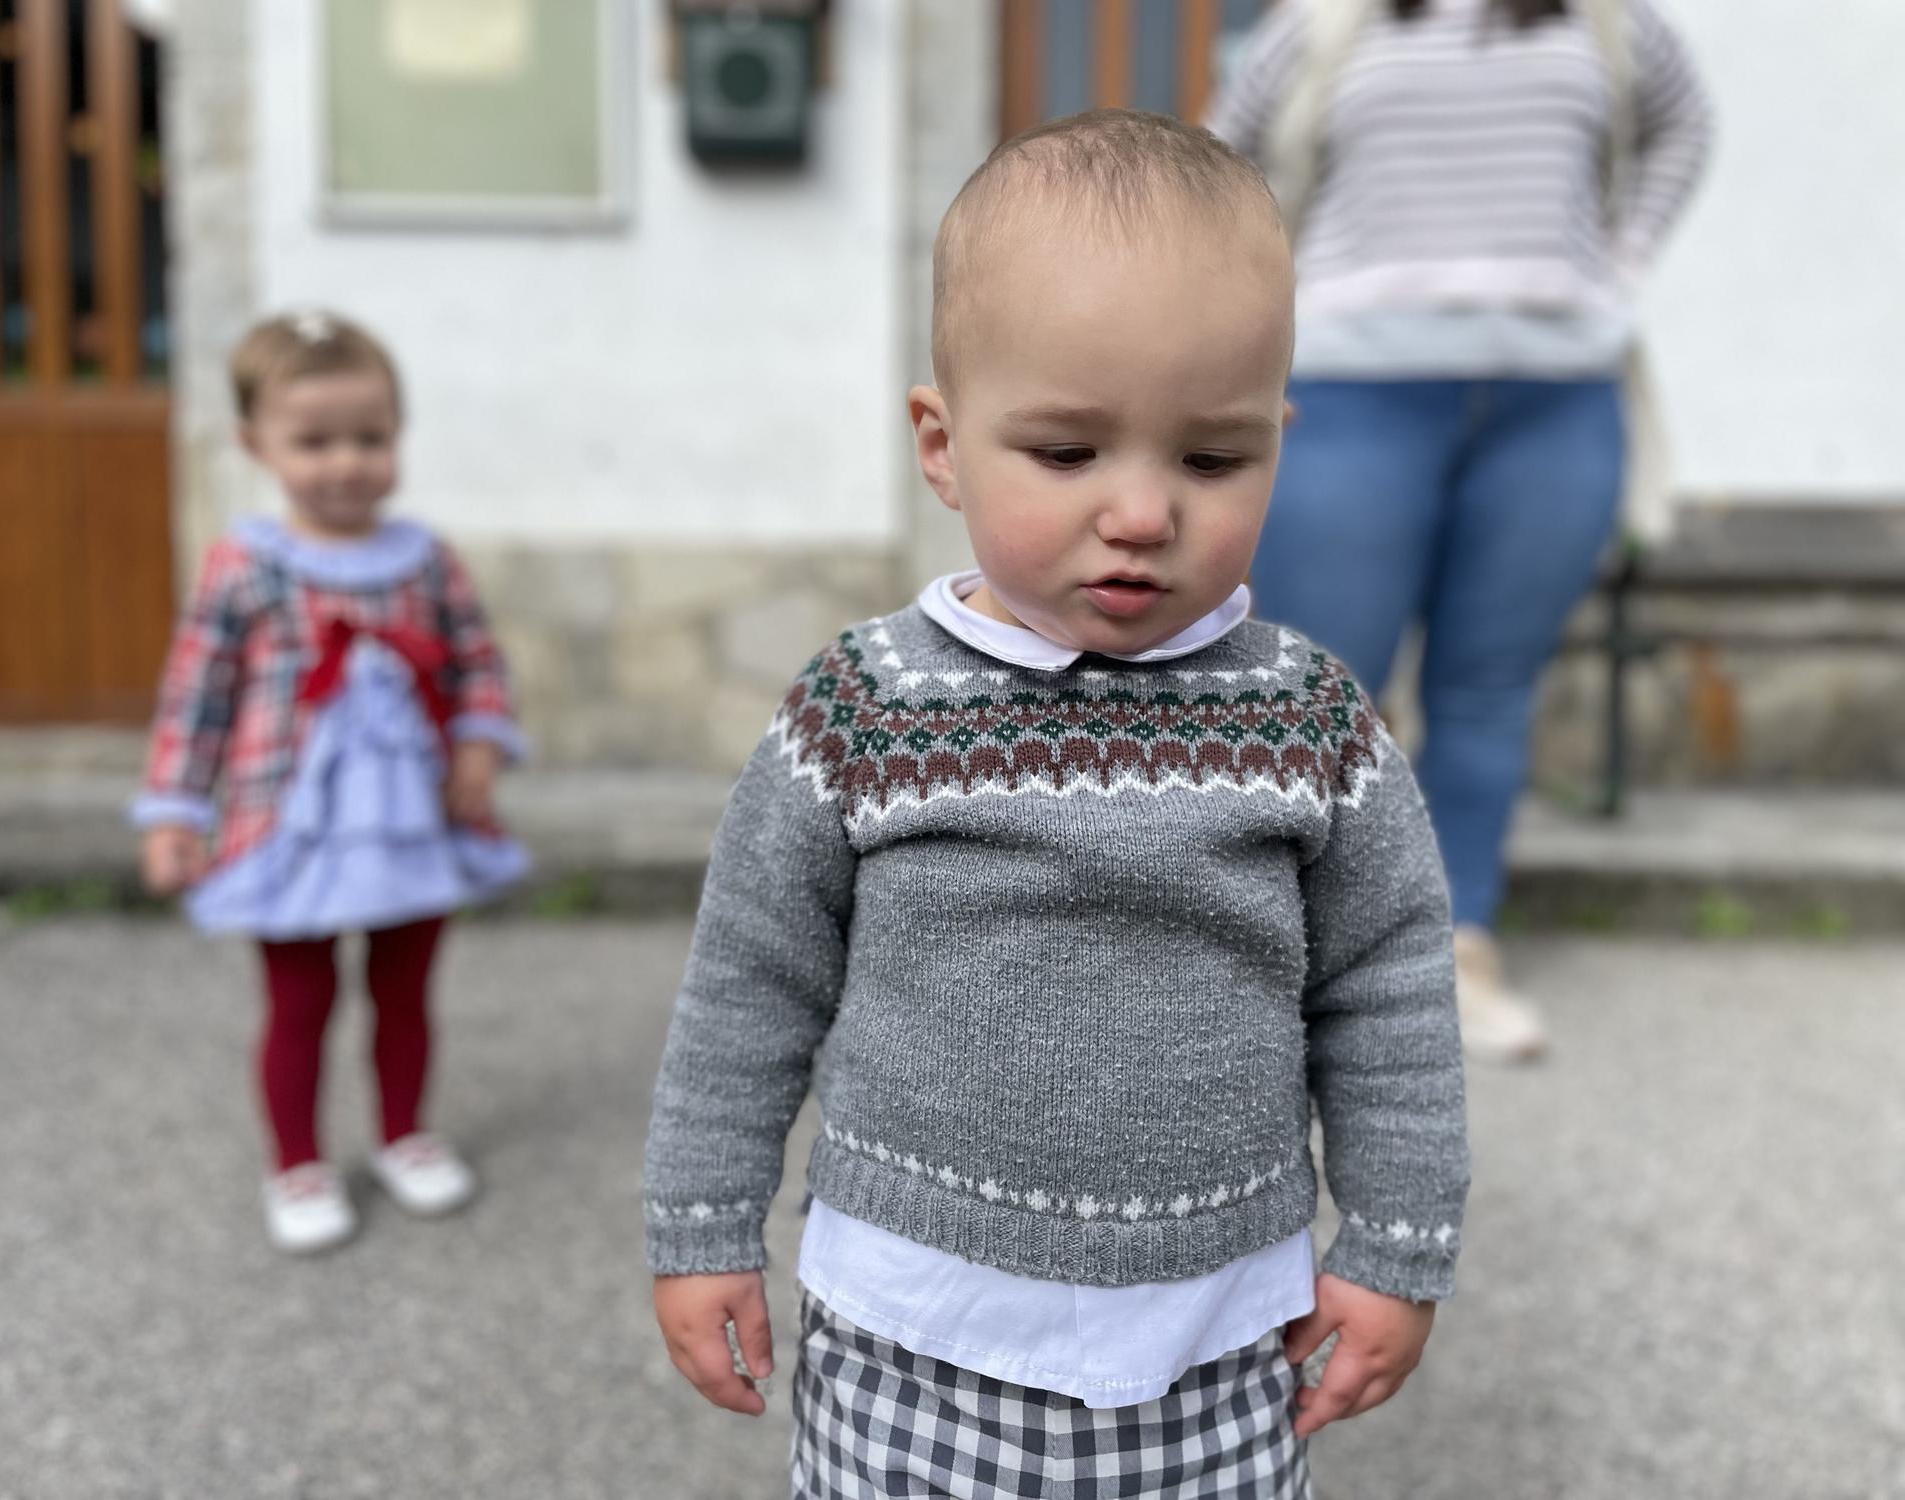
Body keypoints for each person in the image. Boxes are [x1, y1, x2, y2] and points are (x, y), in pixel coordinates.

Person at [643, 110, 1468, 1498]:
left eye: (1211, 460)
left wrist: (1394, 1244)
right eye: (1069, 454)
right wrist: (702, 1224)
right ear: (945, 443)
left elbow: (1387, 989)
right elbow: (749, 983)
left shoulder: (1311, 723)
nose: (1142, 512)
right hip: (915, 1329)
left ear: (1279, 440)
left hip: (1220, 1337)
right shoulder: (864, 708)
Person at [1210, 0, 1714, 1062]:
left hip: (1554, 399)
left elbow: (1681, 124)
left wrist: (1614, 270)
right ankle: (1297, 957)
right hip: (1352, 392)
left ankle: (1453, 951)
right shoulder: (1321, 25)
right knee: (1325, 688)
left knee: (1489, 689)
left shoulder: (1610, 23)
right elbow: (1220, 156)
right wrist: (1269, 296)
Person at [133, 311, 530, 1254]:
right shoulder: (245, 567)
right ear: (255, 444)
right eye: (315, 441)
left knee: (406, 989)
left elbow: (476, 660)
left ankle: (402, 1134)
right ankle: (299, 1161)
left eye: (371, 437)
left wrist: (478, 745)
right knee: (301, 1000)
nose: (346, 461)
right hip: (291, 826)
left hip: (410, 820)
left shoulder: (425, 561)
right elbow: (198, 695)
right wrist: (176, 813)